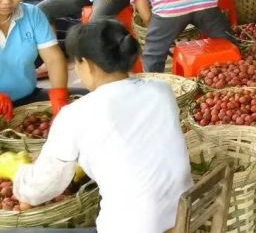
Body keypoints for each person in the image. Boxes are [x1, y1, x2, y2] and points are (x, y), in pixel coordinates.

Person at [13, 20, 192, 233]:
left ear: (87, 65)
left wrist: (19, 178)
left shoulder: (75, 115)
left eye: (77, 65)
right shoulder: (161, 91)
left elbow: (40, 188)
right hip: (184, 217)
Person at [0, 0, 71, 120]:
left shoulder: (32, 15)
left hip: (27, 98)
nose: (7, 1)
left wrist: (59, 95)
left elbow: (54, 59)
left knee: (85, 102)